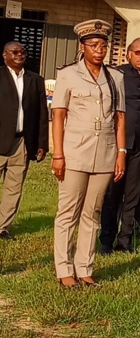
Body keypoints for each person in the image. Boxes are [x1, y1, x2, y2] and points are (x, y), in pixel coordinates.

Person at [51, 19, 126, 287]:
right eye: (93, 45)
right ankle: (64, 269)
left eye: (103, 45)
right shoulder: (68, 74)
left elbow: (119, 118)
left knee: (92, 212)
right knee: (68, 211)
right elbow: (58, 115)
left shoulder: (115, 77)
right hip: (74, 152)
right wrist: (58, 154)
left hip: (104, 153)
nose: (99, 50)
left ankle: (84, 267)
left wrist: (121, 152)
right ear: (82, 47)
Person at [99, 39, 140, 254]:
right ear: (128, 54)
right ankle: (106, 241)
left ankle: (125, 240)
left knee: (134, 195)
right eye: (138, 52)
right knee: (111, 193)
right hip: (115, 144)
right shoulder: (116, 75)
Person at [0, 40, 48, 238]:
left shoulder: (35, 80)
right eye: (15, 52)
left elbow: (42, 114)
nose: (20, 55)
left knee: (14, 188)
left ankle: (2, 227)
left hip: (22, 142)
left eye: (23, 52)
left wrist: (42, 143)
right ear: (5, 55)